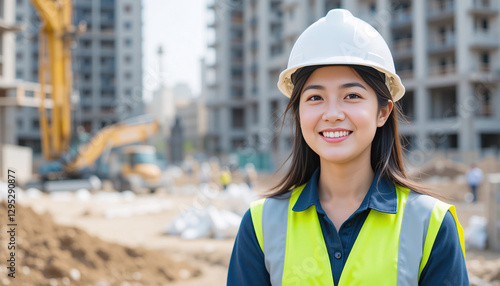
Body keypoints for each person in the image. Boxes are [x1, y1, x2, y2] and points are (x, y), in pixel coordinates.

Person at [227, 9, 468, 285]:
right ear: (298, 113)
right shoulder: (260, 226)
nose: (332, 113)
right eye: (315, 97)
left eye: (351, 95)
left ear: (383, 112)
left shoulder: (431, 225)